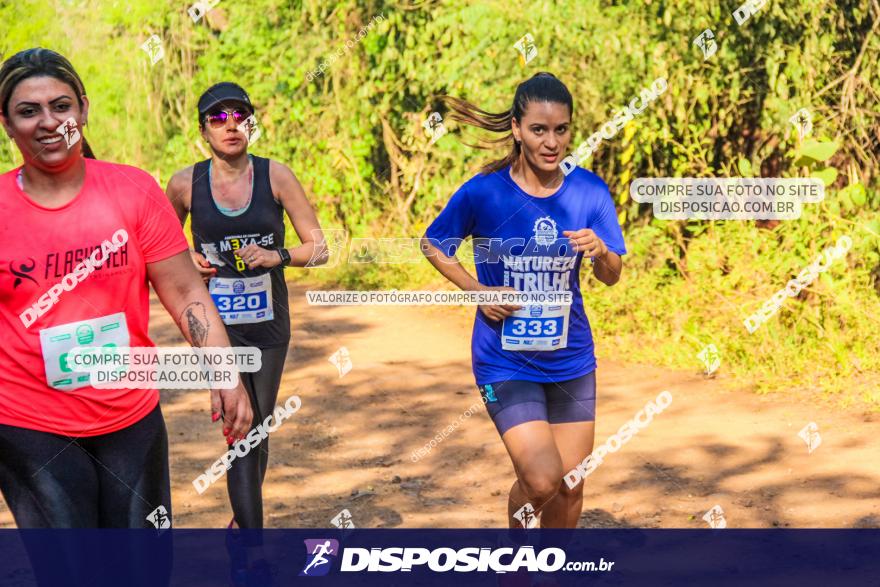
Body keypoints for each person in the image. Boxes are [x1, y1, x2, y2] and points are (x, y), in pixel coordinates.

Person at [0, 46, 253, 583]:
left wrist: (225, 373)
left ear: (83, 110)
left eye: (61, 106)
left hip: (129, 421)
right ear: (6, 123)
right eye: (28, 111)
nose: (48, 122)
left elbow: (185, 291)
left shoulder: (132, 190)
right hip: (30, 426)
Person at [421, 72, 626, 529]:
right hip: (504, 359)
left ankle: (548, 572)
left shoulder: (589, 191)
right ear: (516, 129)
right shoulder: (484, 191)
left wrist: (601, 252)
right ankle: (515, 569)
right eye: (539, 129)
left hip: (570, 359)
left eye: (562, 129)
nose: (551, 142)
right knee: (540, 479)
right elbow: (434, 243)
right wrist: (479, 291)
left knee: (570, 483)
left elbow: (611, 276)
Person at [165, 81, 327, 581]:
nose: (230, 124)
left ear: (250, 124)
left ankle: (241, 525)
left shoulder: (276, 176)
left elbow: (319, 246)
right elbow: (163, 250)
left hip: (269, 325)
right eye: (218, 118)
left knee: (258, 429)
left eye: (239, 115)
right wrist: (189, 257)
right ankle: (253, 552)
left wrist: (278, 255)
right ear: (203, 131)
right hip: (216, 330)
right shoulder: (183, 185)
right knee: (240, 429)